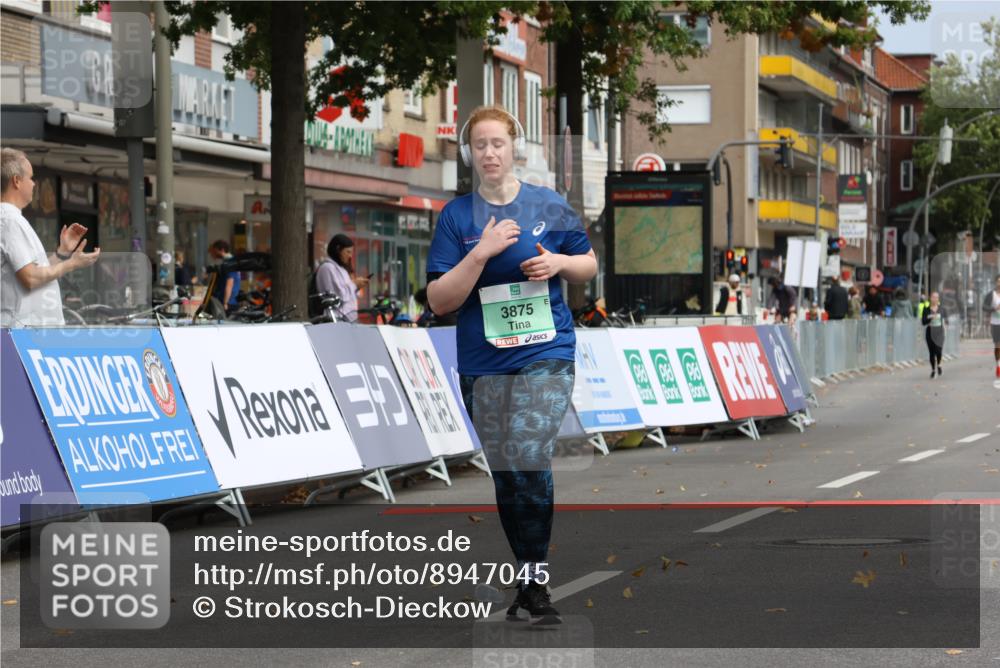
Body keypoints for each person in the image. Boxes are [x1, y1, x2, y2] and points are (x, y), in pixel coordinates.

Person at [426, 105, 597, 625]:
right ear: (469, 153)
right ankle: (528, 576)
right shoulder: (457, 218)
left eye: (498, 143)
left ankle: (536, 582)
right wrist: (481, 254)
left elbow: (587, 265)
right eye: (480, 145)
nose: (490, 153)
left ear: (514, 147)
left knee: (527, 449)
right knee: (508, 473)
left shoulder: (549, 205)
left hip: (546, 351)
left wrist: (559, 264)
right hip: (483, 361)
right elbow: (439, 300)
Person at [1, 148, 100, 327]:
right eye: (30, 178)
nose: (34, 184)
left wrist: (62, 253)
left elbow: (36, 272)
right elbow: (30, 278)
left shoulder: (11, 219)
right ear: (16, 181)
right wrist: (72, 264)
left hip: (28, 332)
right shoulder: (9, 221)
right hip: (21, 333)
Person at [315, 234, 369, 322]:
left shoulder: (341, 269)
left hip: (348, 318)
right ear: (338, 249)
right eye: (348, 252)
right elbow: (339, 296)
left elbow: (347, 293)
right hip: (337, 318)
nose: (350, 256)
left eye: (351, 252)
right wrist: (354, 284)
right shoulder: (328, 268)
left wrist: (357, 286)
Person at [208, 239, 240, 315]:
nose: (213, 253)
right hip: (227, 301)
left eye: (214, 251)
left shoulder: (229, 263)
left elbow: (229, 284)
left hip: (228, 303)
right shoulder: (229, 262)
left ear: (222, 250)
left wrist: (225, 302)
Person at [922, 291, 947, 378]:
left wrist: (945, 329)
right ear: (930, 298)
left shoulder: (942, 309)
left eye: (936, 297)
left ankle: (939, 364)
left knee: (938, 351)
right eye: (933, 297)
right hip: (930, 332)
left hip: (939, 333)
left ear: (938, 299)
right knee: (932, 353)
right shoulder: (926, 309)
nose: (935, 299)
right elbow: (923, 322)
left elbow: (945, 321)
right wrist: (930, 318)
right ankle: (933, 370)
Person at [986, 275, 1000, 379]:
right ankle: (998, 365)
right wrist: (994, 309)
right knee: (997, 345)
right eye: (998, 281)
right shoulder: (991, 294)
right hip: (995, 323)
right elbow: (984, 307)